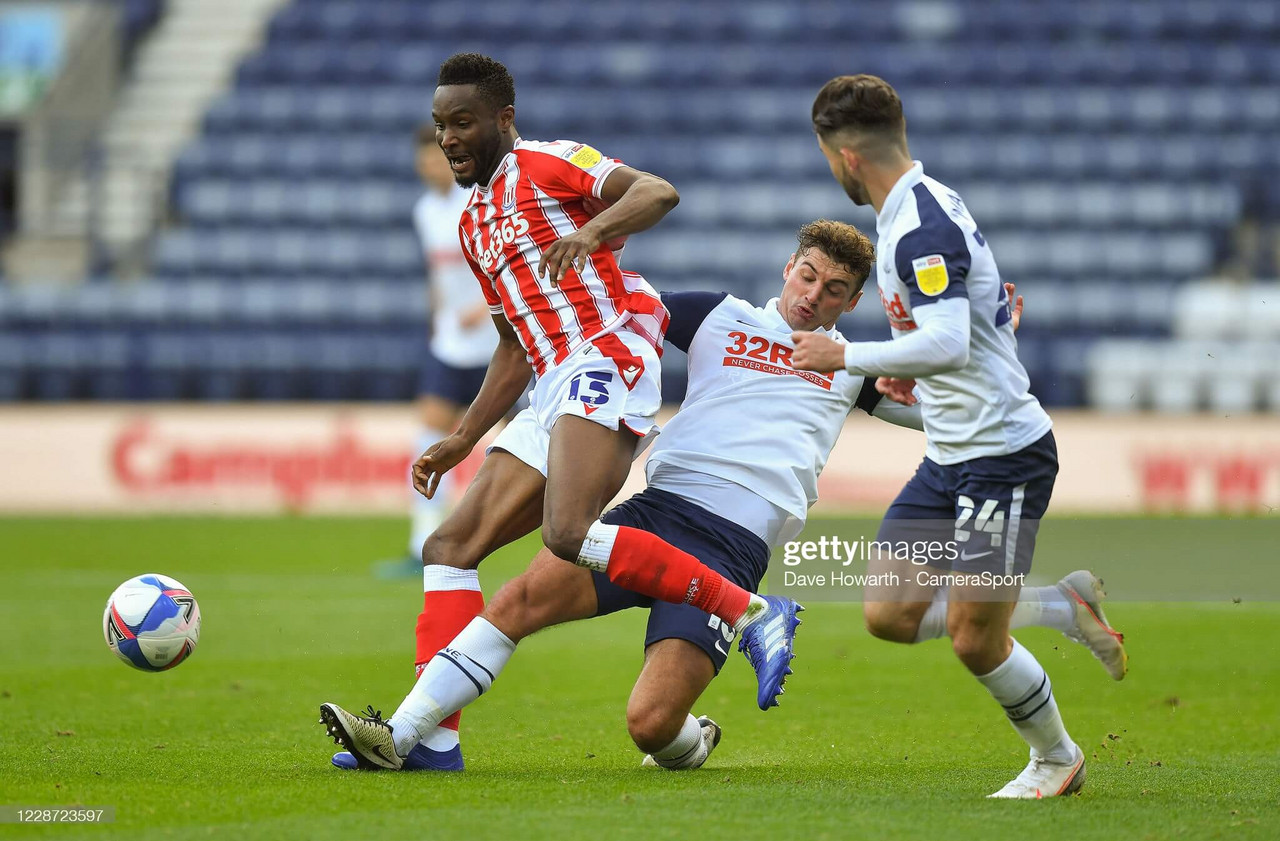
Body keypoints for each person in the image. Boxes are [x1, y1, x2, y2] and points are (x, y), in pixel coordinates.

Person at [328, 221, 1121, 773]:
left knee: (650, 726)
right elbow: (615, 324)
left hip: (732, 547)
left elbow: (944, 413)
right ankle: (399, 734)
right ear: (788, 267)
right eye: (808, 276)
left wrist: (985, 350)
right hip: (654, 512)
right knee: (516, 601)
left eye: (835, 289)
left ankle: (691, 741)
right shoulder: (714, 315)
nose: (814, 296)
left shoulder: (850, 363)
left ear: (850, 302)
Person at [319, 53, 801, 771]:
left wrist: (590, 231)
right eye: (439, 125)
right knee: (449, 548)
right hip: (552, 380)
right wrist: (461, 437)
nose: (449, 138)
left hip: (609, 353)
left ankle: (750, 610)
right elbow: (514, 344)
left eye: (462, 122)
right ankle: (431, 742)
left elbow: (658, 192)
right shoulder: (473, 224)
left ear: (503, 120)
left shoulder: (549, 162)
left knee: (569, 532)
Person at [791, 74, 1127, 798]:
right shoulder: (923, 207)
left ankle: (1056, 758)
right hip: (950, 454)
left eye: (825, 155)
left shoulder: (918, 227)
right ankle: (1060, 605)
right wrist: (915, 365)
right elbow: (967, 324)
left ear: (845, 156)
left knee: (976, 636)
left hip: (1002, 455)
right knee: (889, 612)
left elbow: (946, 339)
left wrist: (846, 353)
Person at [376, 129, 500, 578]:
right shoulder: (425, 212)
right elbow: (439, 276)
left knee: (524, 443)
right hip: (450, 345)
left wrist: (484, 311)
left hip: (499, 346)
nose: (433, 166)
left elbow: (508, 268)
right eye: (426, 160)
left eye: (440, 159)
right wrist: (438, 318)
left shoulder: (480, 204)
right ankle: (420, 544)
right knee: (428, 437)